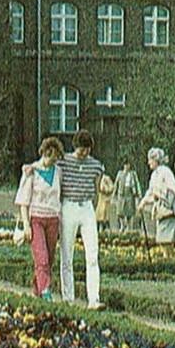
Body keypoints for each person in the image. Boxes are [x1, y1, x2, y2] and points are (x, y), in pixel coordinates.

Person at [57, 130, 107, 308]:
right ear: (75, 148)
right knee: (66, 255)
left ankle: (94, 298)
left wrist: (99, 200)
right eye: (81, 151)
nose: (84, 154)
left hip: (86, 207)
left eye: (87, 150)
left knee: (92, 254)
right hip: (68, 206)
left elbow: (102, 184)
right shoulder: (64, 161)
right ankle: (68, 298)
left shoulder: (95, 165)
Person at [14, 137, 64, 299]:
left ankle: (37, 288)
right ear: (44, 153)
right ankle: (45, 291)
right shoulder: (31, 171)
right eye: (51, 157)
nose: (53, 161)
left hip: (53, 220)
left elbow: (60, 196)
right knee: (41, 257)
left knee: (49, 259)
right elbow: (23, 201)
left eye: (56, 158)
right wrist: (26, 225)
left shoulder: (58, 172)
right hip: (37, 219)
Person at [137, 147, 175, 244]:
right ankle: (167, 258)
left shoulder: (165, 171)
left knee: (165, 241)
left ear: (156, 160)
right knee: (162, 240)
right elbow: (150, 191)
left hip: (168, 211)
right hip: (161, 212)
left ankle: (168, 258)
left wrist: (166, 201)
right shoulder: (154, 174)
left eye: (150, 160)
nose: (149, 163)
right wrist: (143, 203)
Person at [111, 160, 142, 235]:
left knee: (129, 211)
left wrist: (139, 193)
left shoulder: (133, 174)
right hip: (121, 194)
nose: (127, 166)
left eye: (128, 165)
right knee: (120, 211)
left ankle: (129, 227)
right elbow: (116, 184)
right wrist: (113, 194)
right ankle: (122, 225)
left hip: (130, 193)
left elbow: (137, 183)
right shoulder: (120, 173)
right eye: (126, 165)